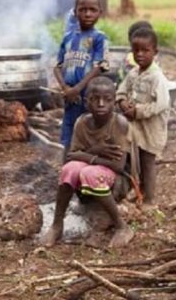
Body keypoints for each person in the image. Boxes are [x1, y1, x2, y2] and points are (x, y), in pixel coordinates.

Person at [40, 76, 135, 248]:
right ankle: (57, 225)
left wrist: (86, 156)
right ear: (86, 102)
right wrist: (96, 151)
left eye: (107, 100)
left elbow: (118, 166)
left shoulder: (118, 123)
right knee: (69, 170)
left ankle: (122, 226)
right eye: (95, 99)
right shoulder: (82, 123)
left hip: (118, 182)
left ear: (114, 102)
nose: (100, 104)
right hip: (90, 179)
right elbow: (70, 157)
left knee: (88, 172)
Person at [117, 28, 170, 210]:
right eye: (136, 50)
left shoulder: (157, 78)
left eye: (145, 50)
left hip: (151, 129)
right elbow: (121, 90)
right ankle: (140, 192)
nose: (140, 54)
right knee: (135, 161)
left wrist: (137, 111)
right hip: (136, 128)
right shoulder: (133, 73)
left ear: (155, 52)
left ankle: (149, 200)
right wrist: (123, 103)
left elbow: (161, 104)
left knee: (148, 163)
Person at [54, 0, 110, 153]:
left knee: (89, 134)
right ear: (75, 12)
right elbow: (57, 66)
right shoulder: (68, 37)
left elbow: (99, 67)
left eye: (92, 10)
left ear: (100, 12)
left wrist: (77, 89)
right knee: (68, 136)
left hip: (89, 98)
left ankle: (88, 174)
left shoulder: (99, 38)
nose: (87, 14)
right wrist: (65, 88)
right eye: (83, 10)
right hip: (70, 98)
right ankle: (67, 173)